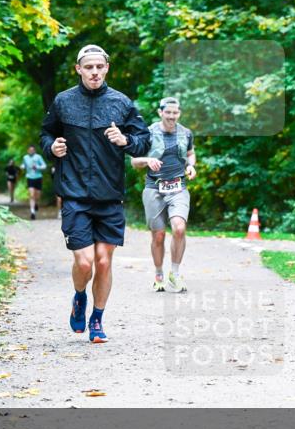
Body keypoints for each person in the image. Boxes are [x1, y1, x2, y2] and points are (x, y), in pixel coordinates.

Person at [40, 44, 151, 343]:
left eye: (99, 67)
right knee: (85, 262)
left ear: (107, 69)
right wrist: (52, 147)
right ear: (78, 69)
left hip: (109, 196)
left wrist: (125, 139)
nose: (95, 72)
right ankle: (79, 297)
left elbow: (143, 141)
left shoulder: (121, 103)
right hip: (75, 195)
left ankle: (97, 320)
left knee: (103, 261)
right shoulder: (63, 102)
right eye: (89, 67)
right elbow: (45, 133)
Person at [131, 97, 197, 293]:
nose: (171, 116)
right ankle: (159, 273)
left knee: (179, 228)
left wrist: (191, 165)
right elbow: (134, 162)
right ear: (160, 112)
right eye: (167, 112)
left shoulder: (186, 133)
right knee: (158, 235)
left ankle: (174, 274)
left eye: (175, 113)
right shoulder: (148, 133)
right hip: (154, 189)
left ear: (179, 113)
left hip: (178, 188)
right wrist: (148, 160)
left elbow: (191, 153)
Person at [22, 145, 47, 220]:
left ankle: (36, 203)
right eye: (30, 150)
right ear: (28, 150)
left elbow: (44, 166)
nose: (31, 151)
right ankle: (32, 212)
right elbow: (24, 165)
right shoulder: (25, 157)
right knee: (32, 194)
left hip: (38, 177)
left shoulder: (38, 157)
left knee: (38, 196)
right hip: (29, 177)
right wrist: (22, 166)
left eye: (32, 150)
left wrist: (38, 167)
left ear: (34, 150)